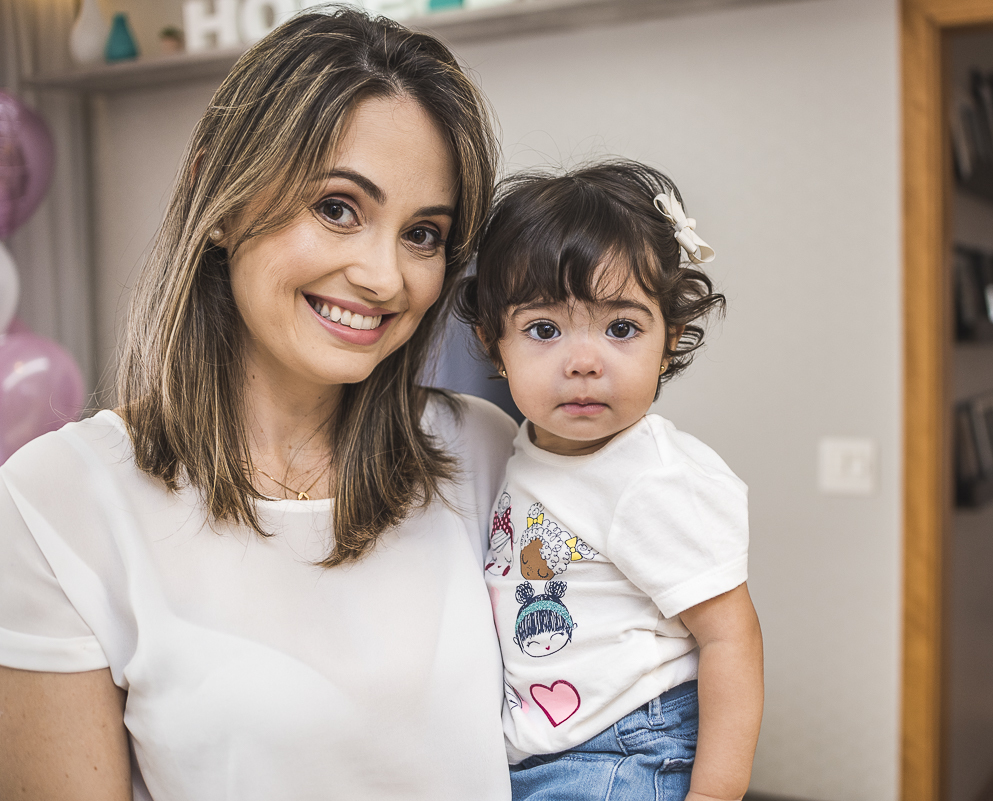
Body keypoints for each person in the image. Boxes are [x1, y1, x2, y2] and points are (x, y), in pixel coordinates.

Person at [0, 9, 516, 800]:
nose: (384, 276)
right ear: (222, 196)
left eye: (422, 234)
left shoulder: (481, 450)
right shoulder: (57, 501)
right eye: (338, 208)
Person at [457, 161, 764, 801]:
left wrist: (714, 795)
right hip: (547, 744)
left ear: (669, 340)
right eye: (544, 330)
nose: (584, 362)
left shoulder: (652, 477)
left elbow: (731, 638)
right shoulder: (528, 446)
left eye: (621, 328)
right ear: (495, 345)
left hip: (628, 750)